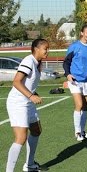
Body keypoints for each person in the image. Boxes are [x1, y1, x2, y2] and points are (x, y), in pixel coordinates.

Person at [6, 39, 49, 172]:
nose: (47, 51)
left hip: (27, 102)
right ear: (36, 49)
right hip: (18, 103)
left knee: (36, 130)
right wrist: (31, 96)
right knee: (21, 137)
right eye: (45, 49)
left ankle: (29, 165)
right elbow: (16, 82)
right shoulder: (28, 61)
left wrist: (32, 94)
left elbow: (28, 83)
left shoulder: (38, 63)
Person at [63, 24, 87, 141]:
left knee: (85, 107)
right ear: (81, 33)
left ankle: (83, 131)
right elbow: (66, 63)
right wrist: (68, 74)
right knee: (79, 105)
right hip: (75, 81)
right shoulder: (74, 47)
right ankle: (77, 132)